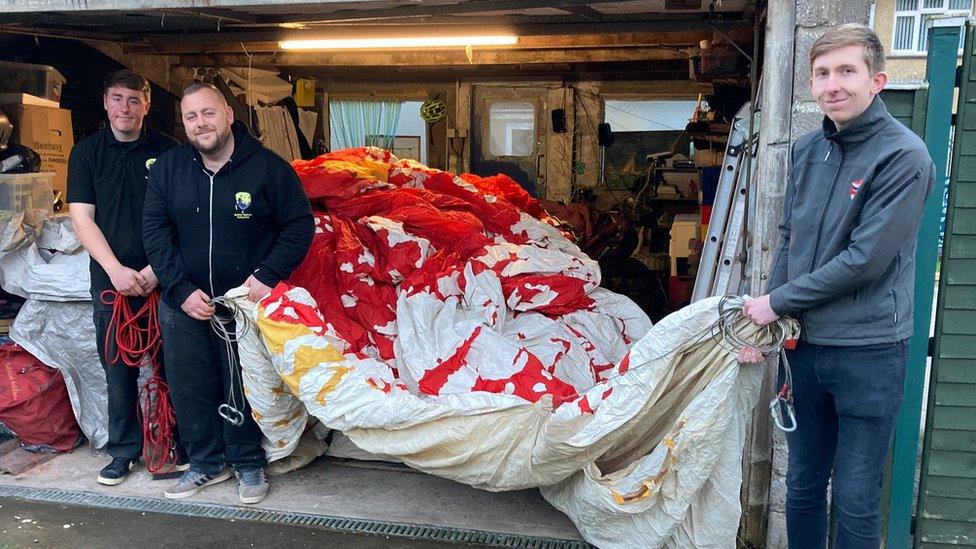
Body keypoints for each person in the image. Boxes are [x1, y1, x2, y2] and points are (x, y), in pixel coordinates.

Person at [743, 24, 935, 548]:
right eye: (822, 73)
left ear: (877, 80)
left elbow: (864, 261)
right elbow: (790, 238)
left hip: (869, 353)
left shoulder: (904, 156)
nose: (833, 85)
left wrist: (774, 303)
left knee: (853, 497)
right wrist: (771, 324)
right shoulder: (809, 150)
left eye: (847, 71)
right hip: (806, 348)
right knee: (803, 484)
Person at [143, 82, 314, 505]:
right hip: (185, 303)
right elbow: (155, 231)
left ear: (228, 115)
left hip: (244, 303)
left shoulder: (269, 168)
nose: (201, 123)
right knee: (191, 385)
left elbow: (299, 225)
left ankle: (248, 462)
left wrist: (267, 275)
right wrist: (179, 288)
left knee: (244, 383)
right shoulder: (169, 168)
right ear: (184, 124)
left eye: (208, 113)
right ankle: (205, 463)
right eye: (191, 117)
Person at [68, 69, 183, 486]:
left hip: (164, 279)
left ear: (147, 106)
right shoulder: (86, 154)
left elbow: (180, 218)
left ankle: (178, 444)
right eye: (117, 99)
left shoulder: (170, 152)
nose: (125, 108)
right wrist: (115, 270)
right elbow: (82, 218)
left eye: (134, 100)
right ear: (105, 103)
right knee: (119, 372)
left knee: (173, 368)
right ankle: (124, 452)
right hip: (110, 285)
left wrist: (156, 271)